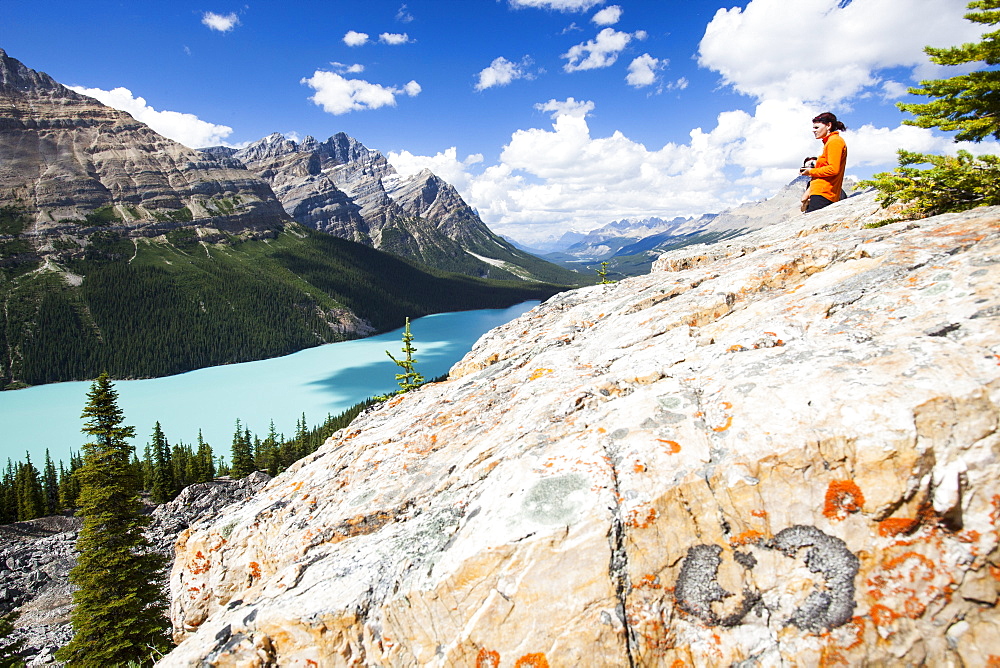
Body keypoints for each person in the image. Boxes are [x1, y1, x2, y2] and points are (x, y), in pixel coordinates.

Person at [800, 112, 848, 213]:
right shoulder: (830, 142)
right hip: (821, 192)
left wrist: (810, 172)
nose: (813, 130)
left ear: (828, 126)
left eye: (816, 127)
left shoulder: (834, 141)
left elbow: (833, 169)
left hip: (823, 192)